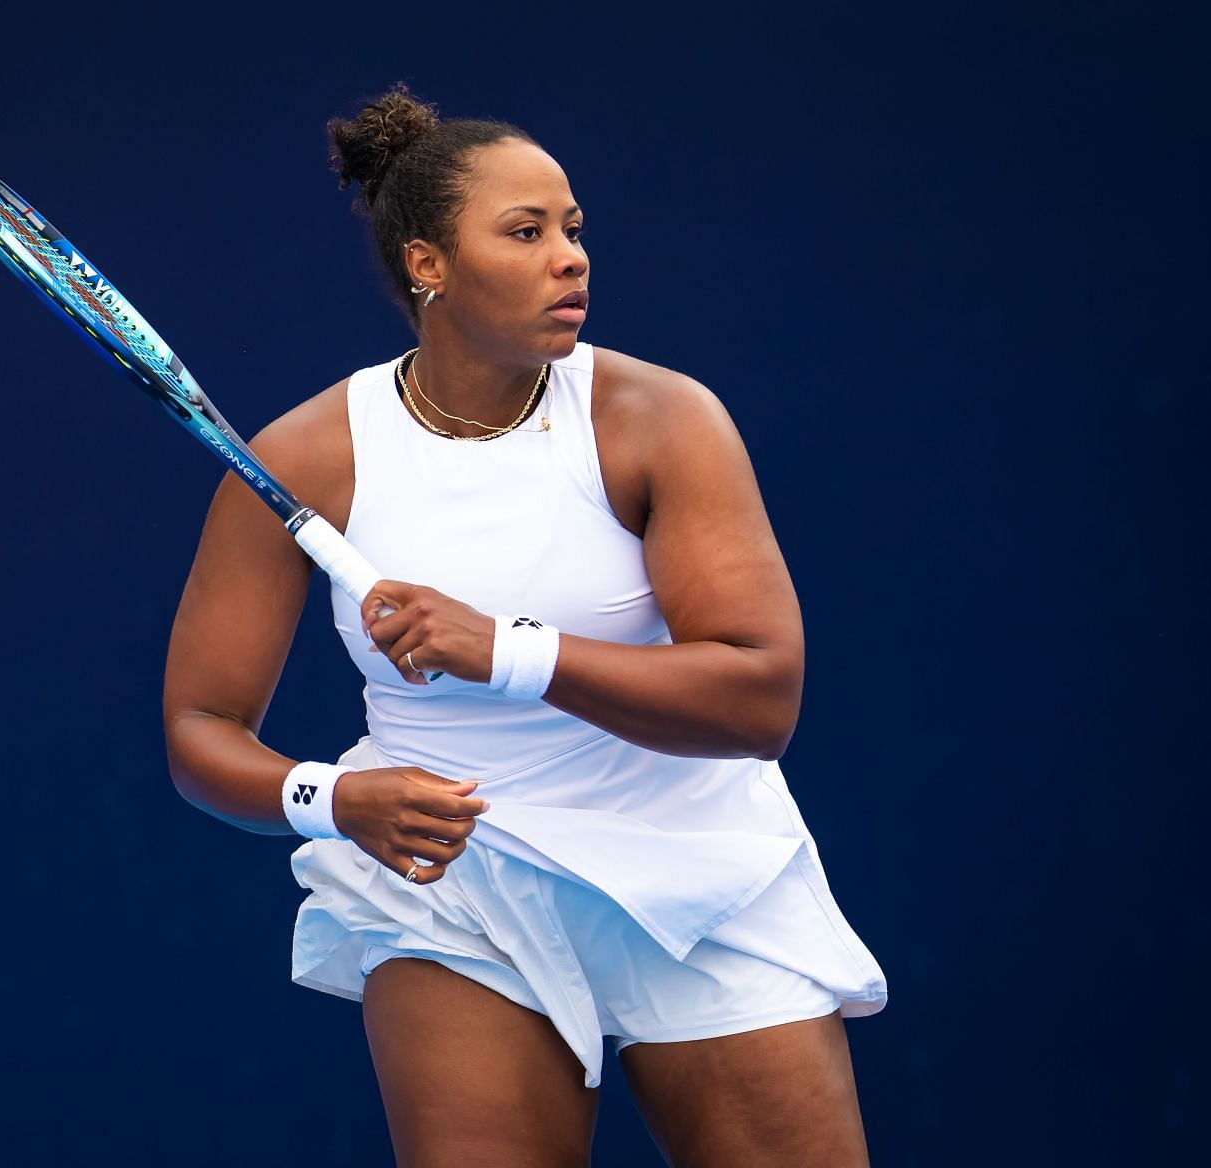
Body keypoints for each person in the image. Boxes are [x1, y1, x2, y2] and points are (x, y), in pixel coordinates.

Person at [163, 85, 888, 1167]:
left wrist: (507, 651)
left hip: (694, 860)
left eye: (574, 229)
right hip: (459, 887)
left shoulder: (660, 420)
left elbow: (759, 697)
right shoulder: (309, 456)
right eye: (526, 231)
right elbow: (200, 728)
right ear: (427, 266)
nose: (572, 257)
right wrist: (331, 799)